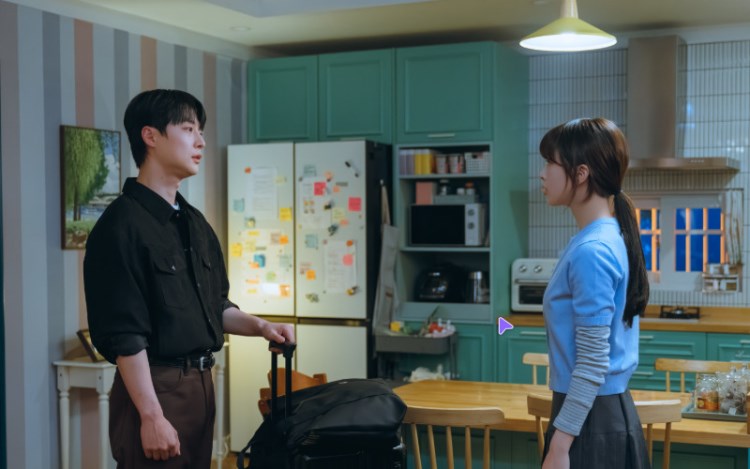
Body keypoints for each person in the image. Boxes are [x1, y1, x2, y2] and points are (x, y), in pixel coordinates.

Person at [83, 89, 295, 468]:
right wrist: (151, 416)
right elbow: (125, 336)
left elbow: (216, 306)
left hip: (202, 385)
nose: (201, 142)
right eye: (188, 129)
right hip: (157, 389)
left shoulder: (195, 222)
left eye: (201, 132)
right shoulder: (120, 227)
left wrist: (262, 327)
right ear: (150, 136)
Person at [538, 117, 650, 469]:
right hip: (594, 414)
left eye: (550, 163)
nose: (542, 174)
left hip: (590, 421)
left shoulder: (593, 250)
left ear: (581, 173)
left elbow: (592, 362)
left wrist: (560, 445)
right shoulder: (603, 237)